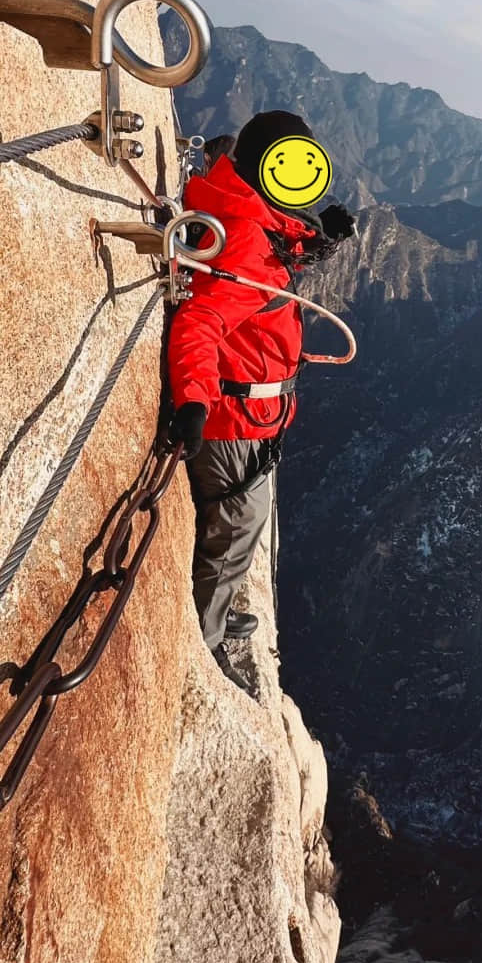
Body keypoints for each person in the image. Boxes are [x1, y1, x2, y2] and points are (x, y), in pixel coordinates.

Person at [166, 111, 356, 694]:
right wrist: (193, 402)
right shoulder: (245, 239)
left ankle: (217, 611)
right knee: (237, 525)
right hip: (231, 422)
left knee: (243, 524)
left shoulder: (241, 209)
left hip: (248, 415)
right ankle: (207, 637)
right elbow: (201, 320)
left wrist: (313, 243)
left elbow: (263, 256)